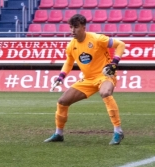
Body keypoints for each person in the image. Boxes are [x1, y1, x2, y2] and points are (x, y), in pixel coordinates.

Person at [45, 14, 126, 145]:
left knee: (105, 93)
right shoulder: (71, 45)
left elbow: (121, 45)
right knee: (62, 101)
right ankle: (58, 134)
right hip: (88, 79)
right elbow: (69, 62)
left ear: (83, 27)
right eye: (71, 27)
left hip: (104, 76)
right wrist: (61, 76)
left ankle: (118, 131)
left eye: (76, 27)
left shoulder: (97, 39)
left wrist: (114, 63)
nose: (72, 31)